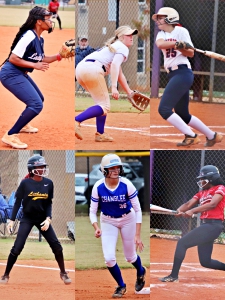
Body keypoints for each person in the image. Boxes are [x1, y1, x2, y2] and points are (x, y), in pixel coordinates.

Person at [152, 7, 223, 147]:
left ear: (170, 18)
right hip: (173, 74)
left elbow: (190, 53)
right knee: (183, 114)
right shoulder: (161, 34)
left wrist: (182, 47)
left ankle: (191, 135)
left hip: (183, 73)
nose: (158, 21)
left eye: (161, 17)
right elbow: (160, 45)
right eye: (158, 18)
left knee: (164, 109)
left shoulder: (181, 31)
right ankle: (213, 136)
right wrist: (176, 43)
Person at [0, 154, 71, 285]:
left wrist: (49, 218)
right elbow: (17, 202)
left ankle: (63, 273)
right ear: (32, 168)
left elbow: (49, 203)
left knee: (57, 246)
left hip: (42, 219)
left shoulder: (48, 183)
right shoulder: (25, 183)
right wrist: (11, 220)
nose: (43, 168)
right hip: (27, 219)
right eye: (40, 166)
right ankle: (5, 275)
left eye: (43, 166)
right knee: (17, 248)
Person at [0, 6, 63, 149]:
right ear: (39, 22)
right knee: (36, 104)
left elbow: (42, 58)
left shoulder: (39, 39)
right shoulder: (29, 35)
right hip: (10, 74)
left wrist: (60, 56)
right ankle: (11, 134)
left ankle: (23, 123)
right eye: (47, 18)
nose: (50, 20)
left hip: (19, 73)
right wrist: (35, 66)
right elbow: (13, 58)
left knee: (39, 99)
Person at [89, 154, 146, 298]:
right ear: (104, 170)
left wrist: (137, 235)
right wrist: (96, 227)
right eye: (111, 168)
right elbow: (92, 211)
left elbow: (138, 210)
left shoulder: (127, 184)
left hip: (128, 219)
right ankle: (121, 286)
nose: (115, 170)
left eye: (117, 167)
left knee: (130, 257)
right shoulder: (98, 187)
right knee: (108, 258)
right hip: (108, 221)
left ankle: (141, 271)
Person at [159, 165, 225, 282]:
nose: (201, 181)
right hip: (206, 226)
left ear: (211, 178)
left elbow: (212, 204)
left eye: (203, 178)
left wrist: (192, 211)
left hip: (214, 225)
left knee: (182, 243)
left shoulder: (220, 188)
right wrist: (179, 211)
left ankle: (173, 276)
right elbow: (188, 204)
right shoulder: (201, 193)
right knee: (206, 262)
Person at [75, 25, 138, 142]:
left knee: (101, 103)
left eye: (132, 35)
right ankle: (76, 120)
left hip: (81, 70)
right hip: (92, 69)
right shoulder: (123, 47)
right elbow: (114, 65)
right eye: (128, 35)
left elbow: (119, 73)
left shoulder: (114, 47)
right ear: (121, 37)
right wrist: (114, 87)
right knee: (104, 105)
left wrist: (129, 92)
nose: (131, 37)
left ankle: (100, 134)